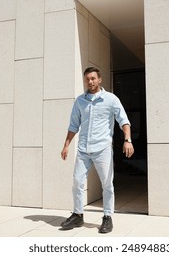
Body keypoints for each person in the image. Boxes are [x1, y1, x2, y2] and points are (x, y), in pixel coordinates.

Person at [60, 66, 134, 234]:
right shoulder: (80, 101)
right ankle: (78, 215)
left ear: (99, 80)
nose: (90, 81)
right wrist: (66, 145)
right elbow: (73, 125)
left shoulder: (111, 99)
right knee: (77, 182)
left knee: (107, 184)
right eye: (87, 79)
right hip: (83, 149)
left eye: (93, 78)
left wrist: (127, 140)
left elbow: (124, 120)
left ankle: (107, 217)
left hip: (103, 149)